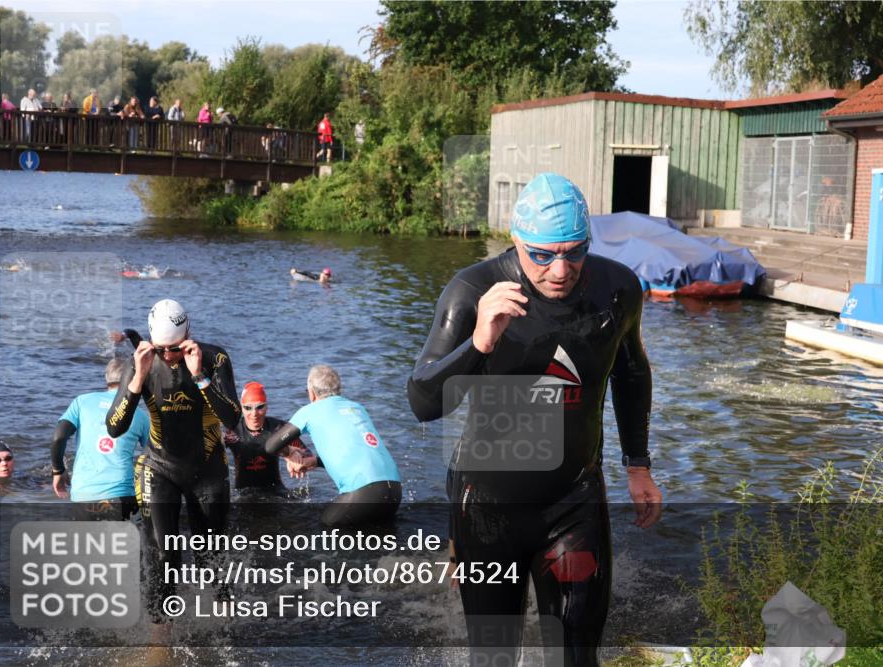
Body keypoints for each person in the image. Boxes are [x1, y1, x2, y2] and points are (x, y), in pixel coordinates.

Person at [407, 172, 661, 664]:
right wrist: (479, 342)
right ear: (516, 241)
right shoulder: (472, 290)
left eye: (574, 251)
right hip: (487, 508)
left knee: (576, 656)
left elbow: (631, 373)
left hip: (574, 502)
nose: (561, 269)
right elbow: (422, 402)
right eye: (542, 255)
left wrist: (638, 465)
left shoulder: (617, 289)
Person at [105, 298, 240, 638]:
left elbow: (233, 418)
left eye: (176, 348)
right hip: (160, 468)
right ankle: (159, 640)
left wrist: (199, 376)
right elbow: (114, 427)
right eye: (162, 349)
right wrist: (137, 379)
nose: (169, 356)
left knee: (211, 555)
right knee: (163, 554)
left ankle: (223, 632)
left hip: (208, 469)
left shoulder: (214, 358)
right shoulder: (142, 363)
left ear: (189, 335)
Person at [265, 365, 401, 527]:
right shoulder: (357, 408)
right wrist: (315, 461)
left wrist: (289, 453)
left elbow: (271, 446)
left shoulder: (310, 411)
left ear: (311, 393)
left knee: (327, 530)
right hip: (394, 491)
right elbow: (355, 449)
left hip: (364, 493)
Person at [52, 358, 150, 520]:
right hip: (122, 494)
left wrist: (58, 470)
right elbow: (154, 455)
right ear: (130, 378)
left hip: (83, 495)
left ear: (107, 378)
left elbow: (59, 437)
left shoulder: (81, 402)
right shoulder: (139, 415)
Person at [224, 381, 307, 495]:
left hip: (276, 492)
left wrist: (295, 457)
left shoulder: (278, 428)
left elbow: (307, 455)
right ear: (241, 408)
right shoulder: (232, 432)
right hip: (243, 495)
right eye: (248, 408)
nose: (254, 413)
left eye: (260, 407)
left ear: (267, 406)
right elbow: (209, 455)